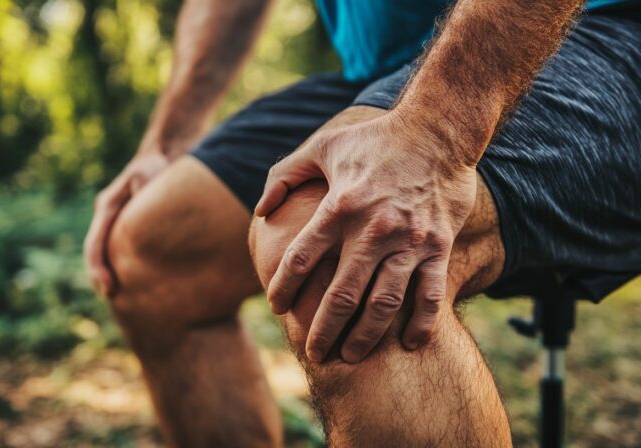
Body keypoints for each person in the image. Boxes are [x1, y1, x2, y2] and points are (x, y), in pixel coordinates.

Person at [84, 0, 641, 446]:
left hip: (598, 31)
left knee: (349, 242)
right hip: (389, 67)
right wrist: (170, 137)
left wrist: (436, 133)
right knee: (150, 246)